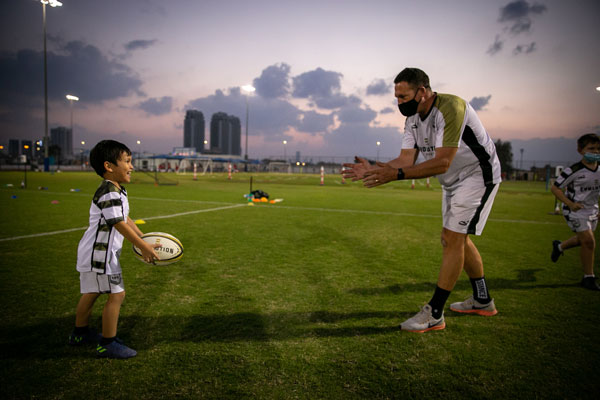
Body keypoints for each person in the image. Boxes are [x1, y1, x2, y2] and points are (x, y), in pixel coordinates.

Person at [343, 67, 502, 332]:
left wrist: (395, 175)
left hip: (477, 175)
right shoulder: (413, 120)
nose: (399, 103)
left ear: (423, 91)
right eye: (397, 97)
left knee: (453, 239)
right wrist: (374, 168)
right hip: (452, 180)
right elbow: (405, 161)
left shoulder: (451, 106)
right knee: (455, 237)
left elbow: (441, 162)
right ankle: (482, 299)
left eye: (404, 96)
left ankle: (435, 313)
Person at [68, 140, 160, 358]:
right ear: (109, 166)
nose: (132, 166)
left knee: (91, 292)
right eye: (127, 161)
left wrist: (143, 237)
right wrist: (142, 246)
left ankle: (79, 333)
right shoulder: (109, 191)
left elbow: (125, 218)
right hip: (100, 256)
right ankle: (107, 343)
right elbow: (117, 223)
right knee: (117, 295)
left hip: (94, 254)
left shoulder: (117, 190)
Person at [550, 133, 600, 291]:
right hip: (575, 211)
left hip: (593, 210)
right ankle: (588, 277)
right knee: (589, 242)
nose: (596, 152)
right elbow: (555, 187)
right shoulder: (573, 170)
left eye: (598, 148)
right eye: (591, 148)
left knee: (583, 240)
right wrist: (570, 204)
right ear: (580, 150)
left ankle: (559, 247)